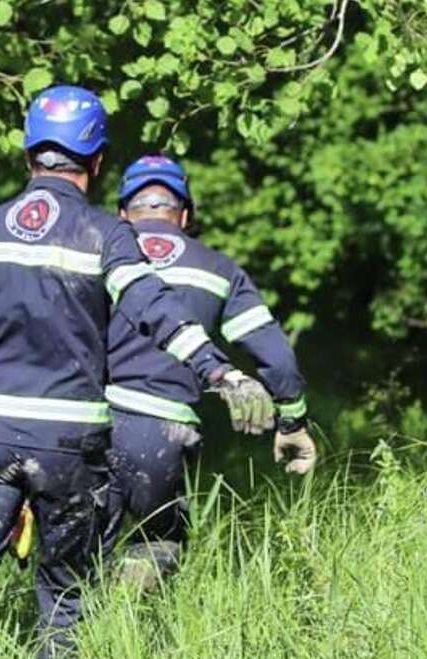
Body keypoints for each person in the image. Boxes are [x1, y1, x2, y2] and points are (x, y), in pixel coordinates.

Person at [0, 85, 277, 659]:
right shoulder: (106, 235)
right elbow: (157, 312)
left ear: (28, 155)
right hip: (68, 447)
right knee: (66, 593)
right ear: (97, 163)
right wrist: (223, 373)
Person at [104, 154, 314, 589]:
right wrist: (292, 418)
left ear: (123, 213)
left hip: (87, 425)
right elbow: (275, 354)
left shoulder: (95, 253)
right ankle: (128, 622)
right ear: (184, 213)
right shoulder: (219, 269)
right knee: (159, 541)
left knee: (79, 554)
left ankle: (85, 628)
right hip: (163, 434)